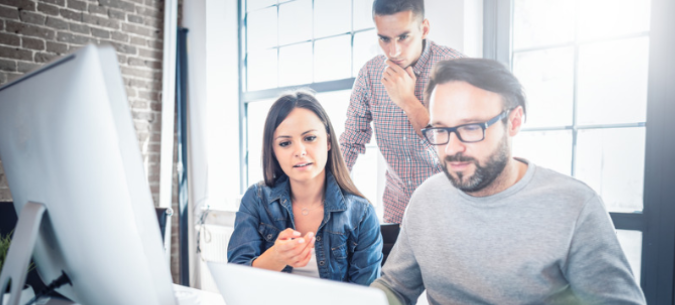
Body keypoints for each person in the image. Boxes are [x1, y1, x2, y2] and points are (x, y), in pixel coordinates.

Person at [371, 58, 646, 304]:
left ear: (514, 122)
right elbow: (395, 286)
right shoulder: (425, 199)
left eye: (470, 127)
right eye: (441, 129)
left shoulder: (574, 205)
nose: (452, 148)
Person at [227, 90, 383, 285]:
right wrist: (276, 257)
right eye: (285, 143)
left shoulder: (361, 214)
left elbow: (366, 297)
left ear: (327, 141)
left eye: (309, 138)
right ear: (273, 151)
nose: (299, 151)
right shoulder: (256, 199)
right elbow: (235, 280)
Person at [340, 0, 464, 224]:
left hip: (451, 212)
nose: (393, 50)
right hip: (398, 214)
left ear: (424, 29)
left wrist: (408, 101)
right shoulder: (370, 74)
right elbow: (351, 141)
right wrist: (320, 195)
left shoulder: (455, 67)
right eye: (384, 38)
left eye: (403, 37)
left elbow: (457, 145)